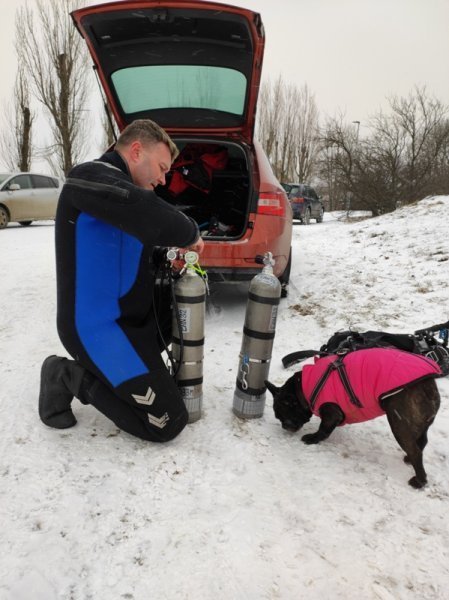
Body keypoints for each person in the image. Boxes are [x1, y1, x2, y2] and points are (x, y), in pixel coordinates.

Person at [39, 119, 204, 442]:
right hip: (96, 328)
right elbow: (145, 211)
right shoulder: (89, 178)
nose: (163, 179)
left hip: (130, 325)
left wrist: (164, 257)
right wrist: (190, 232)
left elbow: (127, 248)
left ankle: (116, 374)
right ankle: (66, 375)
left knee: (165, 358)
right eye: (161, 168)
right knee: (166, 421)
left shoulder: (123, 195)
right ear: (136, 151)